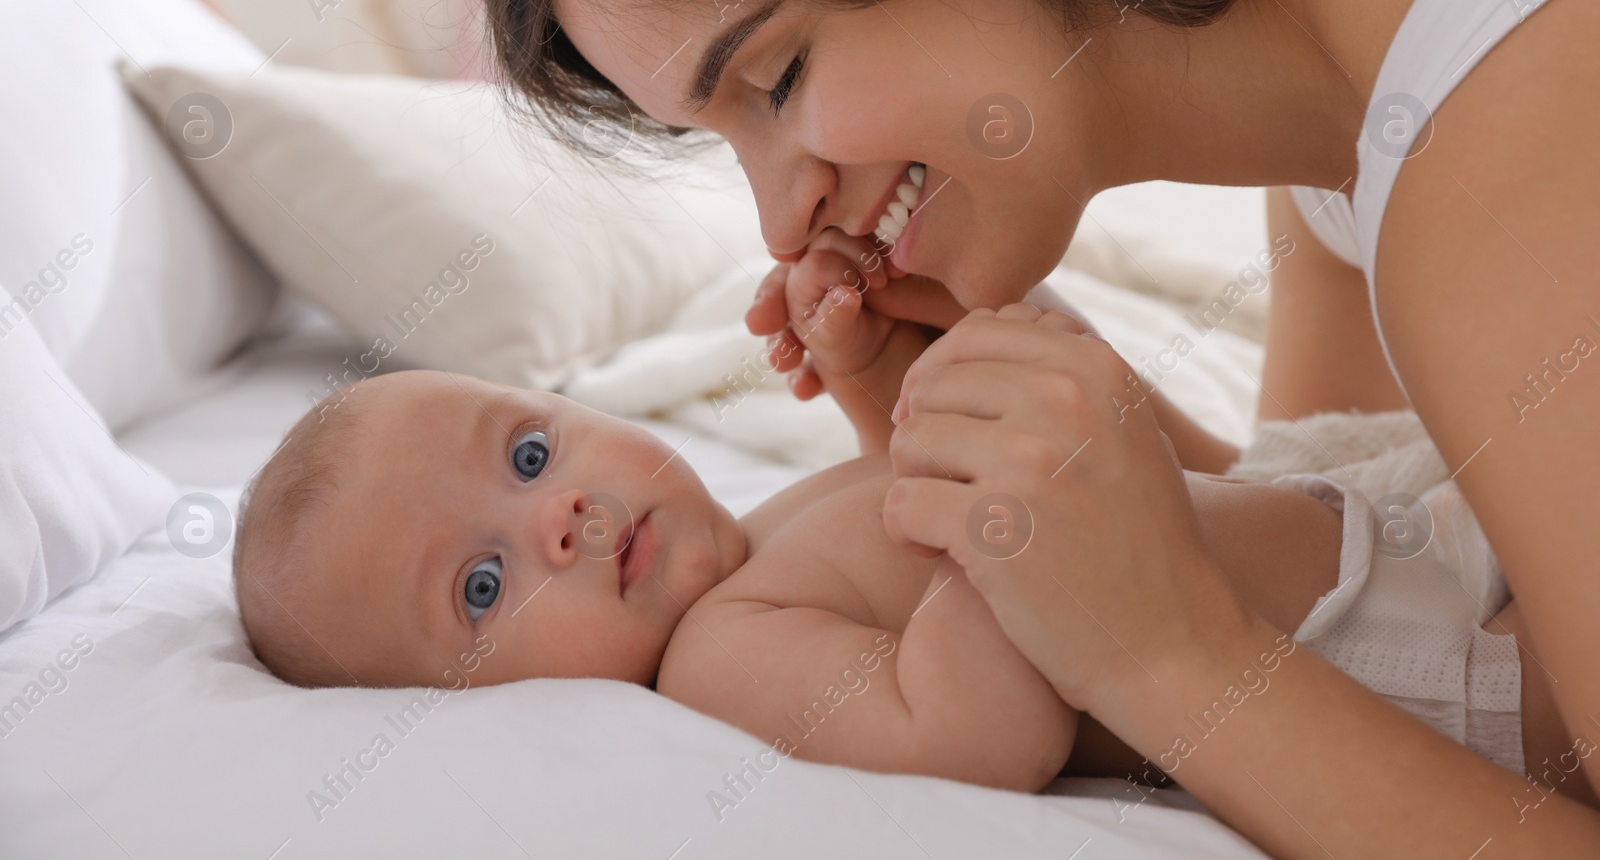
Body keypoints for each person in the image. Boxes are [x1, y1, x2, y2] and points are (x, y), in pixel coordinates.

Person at [461, 0, 1600, 850]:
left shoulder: (1505, 119)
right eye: (721, 138)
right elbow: (1334, 547)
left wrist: (1170, 659)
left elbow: (1224, 626)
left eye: (780, 73)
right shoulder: (1368, 70)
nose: (778, 218)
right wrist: (973, 410)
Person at [233, 237, 1578, 802]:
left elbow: (960, 503)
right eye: (480, 585)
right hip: (1414, 669)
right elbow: (968, 727)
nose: (563, 515)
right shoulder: (718, 660)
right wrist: (987, 500)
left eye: (530, 450)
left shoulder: (758, 537)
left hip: (1410, 536)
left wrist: (911, 366)